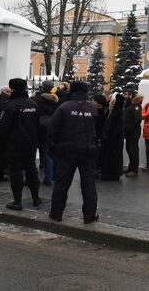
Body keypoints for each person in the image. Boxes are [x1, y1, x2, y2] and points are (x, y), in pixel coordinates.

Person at [48, 81, 99, 224]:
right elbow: (98, 130)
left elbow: (53, 129)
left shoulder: (64, 107)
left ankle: (56, 212)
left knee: (62, 183)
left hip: (67, 150)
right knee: (88, 184)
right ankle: (89, 215)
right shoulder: (92, 109)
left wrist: (52, 147)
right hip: (88, 151)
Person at [0, 78, 41, 210]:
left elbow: (4, 128)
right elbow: (37, 124)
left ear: (13, 89)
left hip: (15, 144)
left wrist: (2, 144)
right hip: (30, 143)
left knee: (16, 172)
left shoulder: (10, 105)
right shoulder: (33, 104)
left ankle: (17, 201)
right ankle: (35, 198)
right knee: (31, 170)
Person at [32, 80, 59, 186]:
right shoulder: (56, 100)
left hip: (36, 128)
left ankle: (32, 177)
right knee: (47, 153)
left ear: (42, 87)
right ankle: (49, 177)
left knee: (32, 154)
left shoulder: (36, 99)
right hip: (49, 128)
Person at [100, 93, 125, 181]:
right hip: (114, 140)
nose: (111, 102)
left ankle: (111, 174)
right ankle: (111, 173)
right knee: (113, 157)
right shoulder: (117, 111)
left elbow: (114, 127)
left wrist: (107, 136)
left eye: (113, 101)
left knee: (112, 157)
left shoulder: (117, 113)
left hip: (113, 140)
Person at [123, 89, 143, 177]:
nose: (125, 96)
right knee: (129, 149)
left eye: (126, 94)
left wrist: (129, 128)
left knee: (133, 151)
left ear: (131, 95)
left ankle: (134, 170)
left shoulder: (136, 105)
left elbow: (137, 119)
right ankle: (131, 168)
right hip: (128, 132)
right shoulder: (129, 105)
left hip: (133, 133)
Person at [92, 94, 109, 176]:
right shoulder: (105, 110)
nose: (92, 102)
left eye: (93, 100)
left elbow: (97, 125)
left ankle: (95, 169)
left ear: (98, 102)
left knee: (96, 154)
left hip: (97, 136)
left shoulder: (98, 112)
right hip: (100, 136)